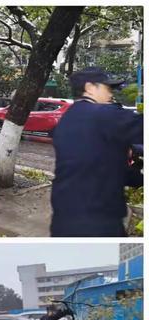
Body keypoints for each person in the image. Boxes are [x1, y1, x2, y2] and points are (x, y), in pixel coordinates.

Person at [51, 66, 143, 237]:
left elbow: (95, 164)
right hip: (99, 222)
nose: (111, 94)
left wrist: (137, 176)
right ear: (90, 88)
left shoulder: (67, 118)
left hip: (63, 220)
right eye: (107, 88)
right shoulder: (104, 114)